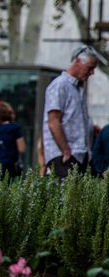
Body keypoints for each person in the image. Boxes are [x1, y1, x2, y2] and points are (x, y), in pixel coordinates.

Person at [43, 47, 97, 179]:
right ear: (78, 61)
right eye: (89, 67)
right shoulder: (60, 85)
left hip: (79, 154)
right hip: (65, 156)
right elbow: (53, 121)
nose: (92, 73)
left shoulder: (78, 88)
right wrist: (65, 151)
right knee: (65, 196)